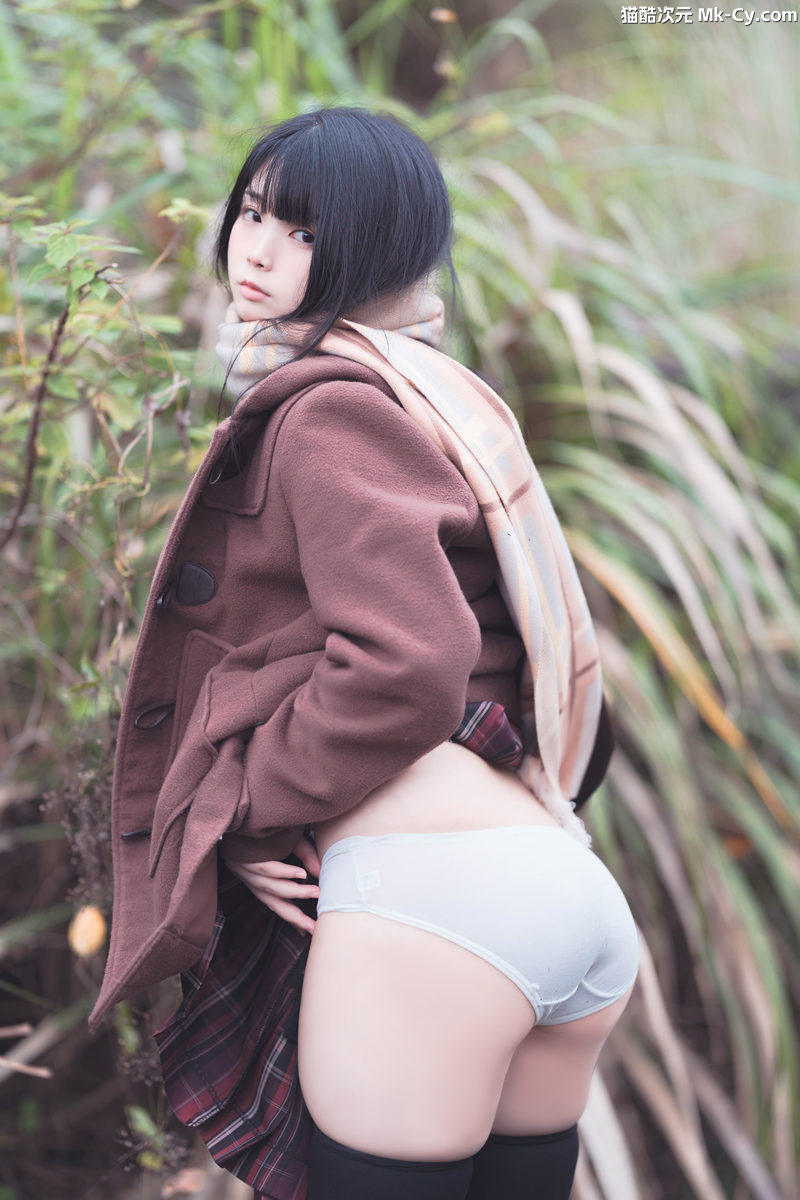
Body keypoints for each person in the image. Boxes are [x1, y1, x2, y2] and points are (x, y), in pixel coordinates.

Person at [89, 108, 639, 1200]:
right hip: (553, 883)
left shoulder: (331, 412)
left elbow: (406, 662)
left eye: (303, 232)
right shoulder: (433, 395)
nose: (257, 250)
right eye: (253, 213)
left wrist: (246, 803)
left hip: (433, 907)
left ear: (375, 250)